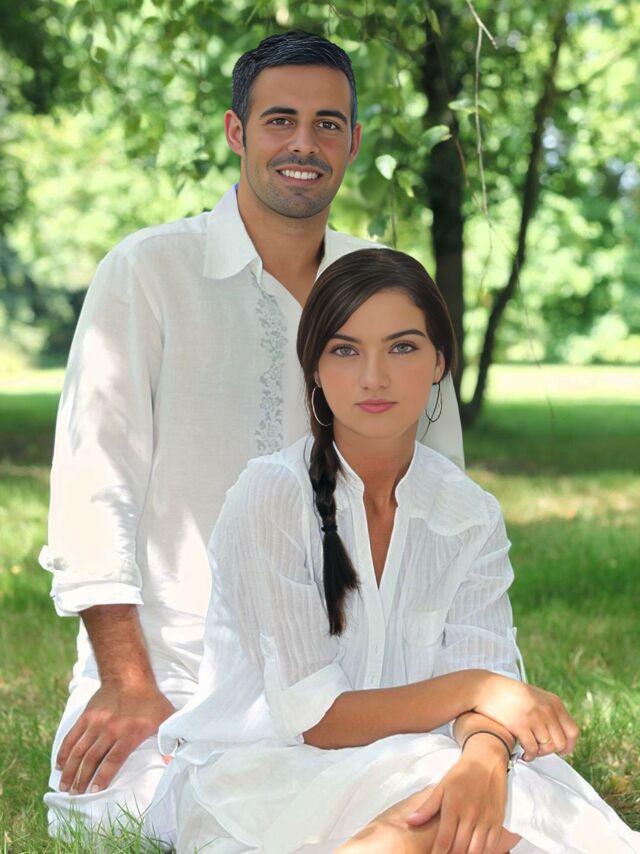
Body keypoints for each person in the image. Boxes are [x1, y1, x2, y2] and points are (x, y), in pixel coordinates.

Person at [39, 32, 464, 838]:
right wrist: (127, 680)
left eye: (327, 124)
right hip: (178, 678)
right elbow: (95, 490)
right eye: (280, 120)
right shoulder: (149, 273)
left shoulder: (387, 281)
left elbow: (438, 497)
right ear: (237, 132)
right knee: (149, 821)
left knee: (446, 803)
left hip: (356, 679)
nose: (304, 144)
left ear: (352, 141)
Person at [148, 248, 640, 852]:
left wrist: (485, 758)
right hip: (264, 776)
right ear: (314, 368)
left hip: (419, 762)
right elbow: (315, 719)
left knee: (513, 807)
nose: (374, 377)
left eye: (402, 347)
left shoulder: (469, 514)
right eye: (345, 350)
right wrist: (475, 689)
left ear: (439, 361)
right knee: (485, 817)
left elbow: (486, 670)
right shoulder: (271, 496)